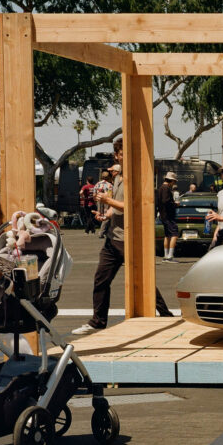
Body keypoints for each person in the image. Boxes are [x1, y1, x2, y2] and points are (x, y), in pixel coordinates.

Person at [72, 137, 172, 336]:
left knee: (144, 281)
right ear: (117, 155)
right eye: (123, 152)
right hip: (114, 238)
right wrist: (105, 215)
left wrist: (108, 200)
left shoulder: (136, 177)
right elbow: (117, 206)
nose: (126, 155)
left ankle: (166, 315)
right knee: (101, 279)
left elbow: (132, 207)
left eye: (129, 151)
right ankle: (98, 321)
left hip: (131, 239)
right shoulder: (117, 178)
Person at [157, 171, 179, 262]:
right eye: (174, 182)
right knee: (174, 234)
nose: (174, 184)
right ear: (171, 181)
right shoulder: (166, 188)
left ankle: (166, 256)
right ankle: (170, 256)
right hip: (168, 215)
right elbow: (166, 201)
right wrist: (175, 204)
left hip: (163, 215)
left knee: (167, 235)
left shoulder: (161, 188)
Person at [93, 168, 114, 237]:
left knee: (100, 215)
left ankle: (103, 231)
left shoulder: (97, 184)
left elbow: (94, 195)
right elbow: (110, 195)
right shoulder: (110, 185)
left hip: (99, 201)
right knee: (106, 216)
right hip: (106, 201)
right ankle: (102, 232)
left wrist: (96, 200)